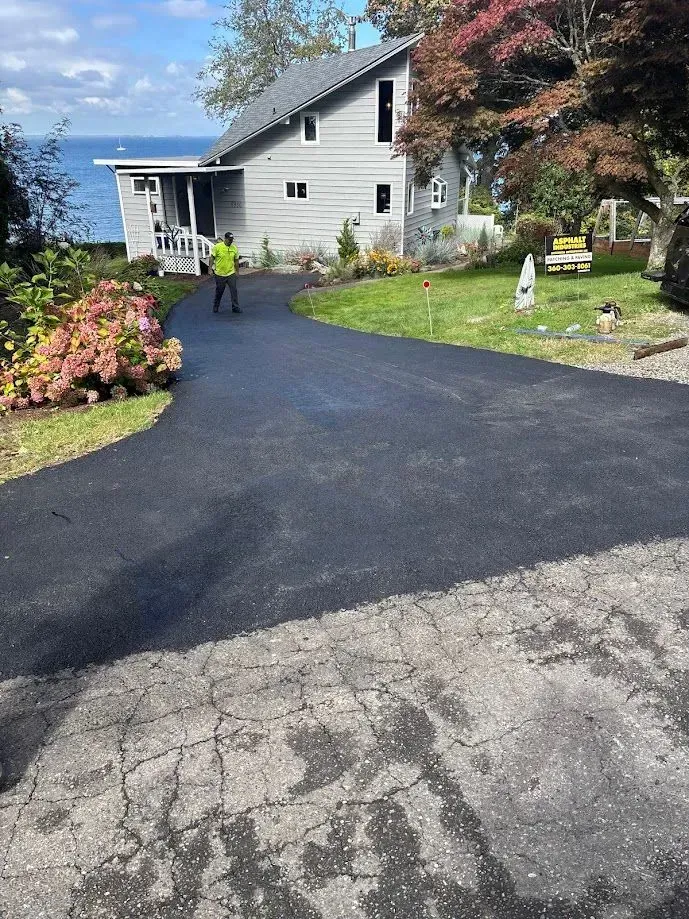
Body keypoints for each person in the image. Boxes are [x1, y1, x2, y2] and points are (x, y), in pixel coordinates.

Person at [209, 232, 241, 314]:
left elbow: (236, 260)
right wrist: (210, 268)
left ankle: (235, 307)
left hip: (231, 273)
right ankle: (216, 306)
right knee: (219, 291)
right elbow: (212, 258)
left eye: (232, 240)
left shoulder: (234, 248)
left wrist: (237, 271)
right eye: (230, 240)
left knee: (234, 290)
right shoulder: (217, 247)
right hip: (220, 274)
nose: (231, 241)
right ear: (225, 239)